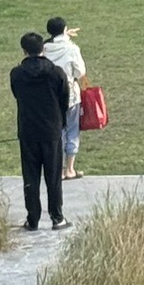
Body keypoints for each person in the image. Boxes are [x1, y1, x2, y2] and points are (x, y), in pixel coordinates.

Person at [9, 30, 70, 230]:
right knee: (53, 176)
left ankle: (33, 218)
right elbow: (64, 100)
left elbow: (17, 95)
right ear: (44, 48)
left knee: (31, 176)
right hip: (51, 129)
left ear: (24, 50)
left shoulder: (17, 74)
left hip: (28, 129)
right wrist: (59, 120)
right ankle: (57, 217)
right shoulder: (56, 73)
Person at [42, 15, 88, 181]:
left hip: (49, 97)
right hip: (71, 95)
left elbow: (51, 42)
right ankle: (70, 168)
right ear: (64, 30)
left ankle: (59, 169)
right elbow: (80, 72)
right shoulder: (72, 49)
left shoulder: (44, 48)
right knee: (72, 130)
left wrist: (65, 33)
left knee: (57, 131)